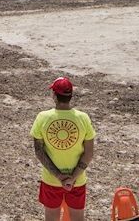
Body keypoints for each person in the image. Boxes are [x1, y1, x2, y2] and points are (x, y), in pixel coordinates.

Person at [31, 76, 96, 221]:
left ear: (54, 95)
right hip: (78, 180)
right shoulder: (83, 118)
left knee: (52, 218)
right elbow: (89, 153)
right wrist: (72, 178)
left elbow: (39, 151)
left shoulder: (42, 117)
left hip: (51, 180)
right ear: (71, 95)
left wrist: (59, 176)